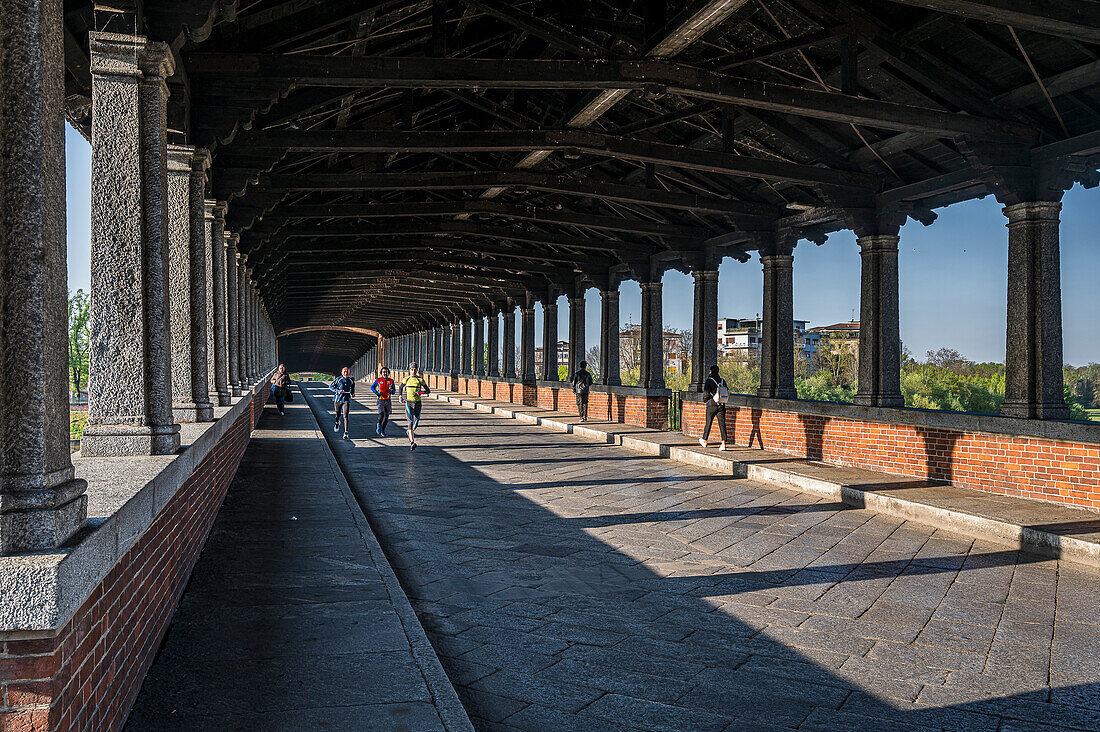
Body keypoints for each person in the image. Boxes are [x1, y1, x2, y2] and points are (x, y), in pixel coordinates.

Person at [399, 362, 430, 450]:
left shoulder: (420, 380)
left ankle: (409, 432)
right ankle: (412, 442)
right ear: (409, 370)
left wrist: (421, 392)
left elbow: (428, 390)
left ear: (417, 370)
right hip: (408, 403)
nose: (413, 371)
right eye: (412, 370)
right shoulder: (406, 379)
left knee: (415, 423)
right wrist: (400, 396)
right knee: (410, 422)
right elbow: (401, 387)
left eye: (415, 370)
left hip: (418, 403)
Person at [700, 364, 729, 451]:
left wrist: (706, 401)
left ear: (711, 371)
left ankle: (704, 440)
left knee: (708, 423)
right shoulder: (722, 380)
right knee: (722, 424)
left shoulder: (709, 380)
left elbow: (706, 393)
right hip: (721, 404)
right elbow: (726, 390)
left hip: (711, 405)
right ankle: (723, 443)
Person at [330, 366, 355, 439]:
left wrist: (353, 393)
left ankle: (346, 432)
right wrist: (338, 391)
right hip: (338, 399)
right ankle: (337, 423)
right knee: (338, 414)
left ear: (349, 373)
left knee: (345, 416)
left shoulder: (351, 380)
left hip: (346, 399)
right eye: (344, 371)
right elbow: (331, 387)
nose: (346, 373)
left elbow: (353, 387)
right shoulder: (338, 379)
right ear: (342, 372)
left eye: (347, 371)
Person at [371, 367, 395, 436]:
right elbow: (372, 387)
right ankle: (379, 424)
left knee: (387, 417)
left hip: (388, 400)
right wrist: (376, 392)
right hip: (380, 400)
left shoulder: (391, 381)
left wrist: (392, 391)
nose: (385, 373)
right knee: (381, 415)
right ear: (381, 373)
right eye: (383, 372)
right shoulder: (378, 380)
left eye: (386, 372)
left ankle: (383, 430)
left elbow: (393, 390)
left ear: (388, 373)